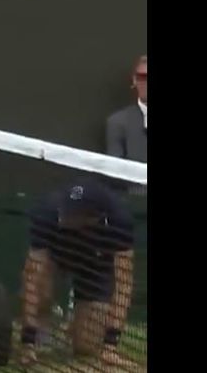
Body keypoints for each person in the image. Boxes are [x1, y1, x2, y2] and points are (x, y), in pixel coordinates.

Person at [20, 177, 137, 369]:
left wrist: (110, 345)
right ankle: (44, 324)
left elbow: (124, 283)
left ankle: (75, 323)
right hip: (57, 255)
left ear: (94, 217)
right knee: (41, 292)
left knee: (86, 346)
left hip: (96, 265)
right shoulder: (48, 212)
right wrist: (27, 343)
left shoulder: (120, 220)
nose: (64, 216)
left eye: (73, 215)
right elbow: (31, 277)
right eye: (66, 210)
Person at [106, 55, 147, 196]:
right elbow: (115, 172)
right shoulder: (118, 122)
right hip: (136, 202)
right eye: (142, 77)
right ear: (134, 81)